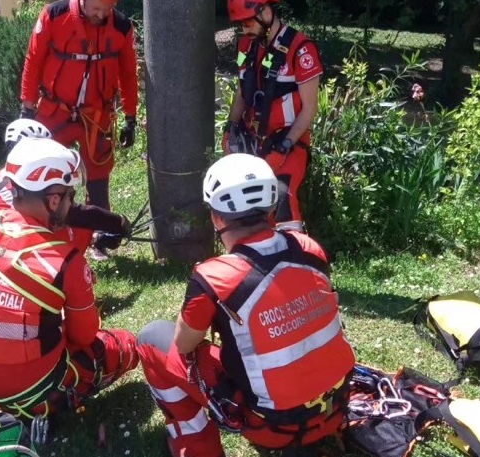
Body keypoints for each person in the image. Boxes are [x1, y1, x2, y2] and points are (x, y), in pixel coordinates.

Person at [136, 153, 355, 457]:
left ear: (216, 217)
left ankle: (196, 442)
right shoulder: (310, 248)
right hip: (336, 407)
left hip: (273, 429)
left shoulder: (214, 277)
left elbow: (184, 345)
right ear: (272, 209)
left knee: (151, 337)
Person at [0, 138, 139, 430]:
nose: (72, 204)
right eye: (71, 196)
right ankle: (49, 405)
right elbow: (84, 337)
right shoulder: (65, 260)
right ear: (53, 200)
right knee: (121, 346)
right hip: (31, 389)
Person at [20, 0, 139, 259]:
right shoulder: (55, 15)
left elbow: (128, 74)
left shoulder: (120, 27)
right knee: (43, 170)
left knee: (98, 174)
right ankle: (38, 229)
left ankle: (100, 236)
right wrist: (27, 108)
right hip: (55, 111)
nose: (100, 15)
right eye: (96, 8)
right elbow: (34, 58)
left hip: (96, 116)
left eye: (106, 10)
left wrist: (131, 116)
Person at [222, 0, 322, 233]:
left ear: (265, 13)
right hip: (253, 139)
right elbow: (242, 90)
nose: (243, 30)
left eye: (247, 23)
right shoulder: (246, 46)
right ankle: (253, 258)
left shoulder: (301, 49)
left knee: (282, 195)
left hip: (288, 141)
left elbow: (310, 108)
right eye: (240, 25)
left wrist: (285, 145)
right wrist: (231, 127)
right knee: (248, 203)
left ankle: (294, 254)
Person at [0, 119, 132, 253]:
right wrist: (119, 224)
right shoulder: (33, 185)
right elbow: (77, 214)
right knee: (59, 219)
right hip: (9, 249)